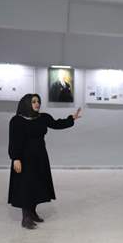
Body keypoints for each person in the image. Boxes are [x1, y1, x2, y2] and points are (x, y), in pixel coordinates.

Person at [8, 94, 82, 229]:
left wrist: (71, 119)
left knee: (38, 184)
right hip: (24, 159)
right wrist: (15, 158)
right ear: (26, 104)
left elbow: (56, 124)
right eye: (33, 102)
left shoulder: (42, 118)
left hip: (40, 157)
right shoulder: (17, 121)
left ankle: (33, 212)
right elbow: (14, 141)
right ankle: (26, 217)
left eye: (38, 101)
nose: (37, 104)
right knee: (26, 186)